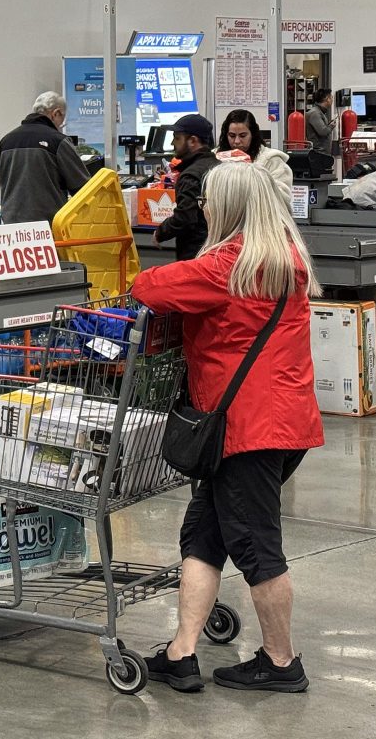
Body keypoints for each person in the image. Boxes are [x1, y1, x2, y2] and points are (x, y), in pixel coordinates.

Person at [133, 161, 324, 693]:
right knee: (205, 532)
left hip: (244, 428)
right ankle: (182, 652)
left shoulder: (227, 267)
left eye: (210, 200)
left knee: (256, 544)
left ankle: (282, 662)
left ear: (232, 207)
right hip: (285, 422)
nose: (204, 208)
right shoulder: (287, 260)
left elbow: (147, 284)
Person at [0, 91, 89, 225]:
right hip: (47, 227)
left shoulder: (6, 141)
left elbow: (6, 181)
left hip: (12, 224)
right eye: (62, 119)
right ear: (56, 113)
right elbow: (82, 187)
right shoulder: (58, 141)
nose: (61, 125)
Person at [154, 113, 219, 261]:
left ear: (193, 141)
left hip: (194, 253)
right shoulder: (219, 167)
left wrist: (161, 232)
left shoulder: (191, 175)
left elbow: (185, 217)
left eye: (177, 138)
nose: (172, 143)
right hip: (217, 251)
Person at [218, 109, 293, 197]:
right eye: (232, 136)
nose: (237, 141)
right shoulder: (216, 156)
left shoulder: (271, 160)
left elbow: (283, 196)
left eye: (243, 136)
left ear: (253, 134)